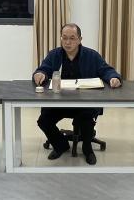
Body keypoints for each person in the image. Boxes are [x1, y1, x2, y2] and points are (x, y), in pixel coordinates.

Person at [33, 23, 122, 165]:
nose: (67, 42)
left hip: (85, 102)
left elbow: (106, 70)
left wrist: (113, 78)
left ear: (80, 39)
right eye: (64, 38)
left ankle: (87, 149)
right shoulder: (54, 55)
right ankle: (60, 145)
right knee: (44, 121)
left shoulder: (91, 55)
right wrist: (40, 74)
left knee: (86, 119)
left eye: (72, 38)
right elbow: (43, 69)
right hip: (58, 102)